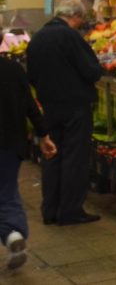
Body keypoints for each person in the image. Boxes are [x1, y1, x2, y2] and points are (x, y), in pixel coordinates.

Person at [26, 0, 103, 226]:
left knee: (51, 156)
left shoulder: (38, 37)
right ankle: (70, 211)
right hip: (75, 107)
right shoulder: (70, 36)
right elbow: (92, 71)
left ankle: (49, 210)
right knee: (74, 158)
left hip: (49, 107)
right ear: (76, 16)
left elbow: (30, 75)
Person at [0, 55, 57, 269]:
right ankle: (13, 234)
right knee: (6, 189)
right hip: (11, 144)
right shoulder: (13, 69)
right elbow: (29, 104)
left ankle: (11, 235)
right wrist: (43, 134)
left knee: (5, 192)